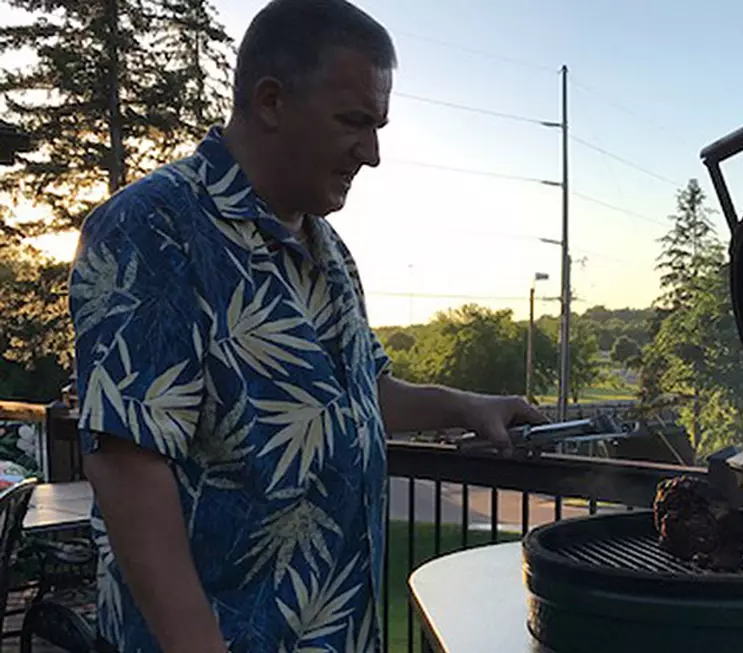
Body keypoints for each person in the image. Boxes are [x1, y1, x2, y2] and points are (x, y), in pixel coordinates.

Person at [68, 1, 546, 651]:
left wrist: (467, 404)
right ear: (271, 101)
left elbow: (359, 391)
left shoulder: (329, 250)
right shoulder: (151, 230)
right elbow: (129, 467)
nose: (372, 154)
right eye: (354, 122)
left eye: (378, 127)